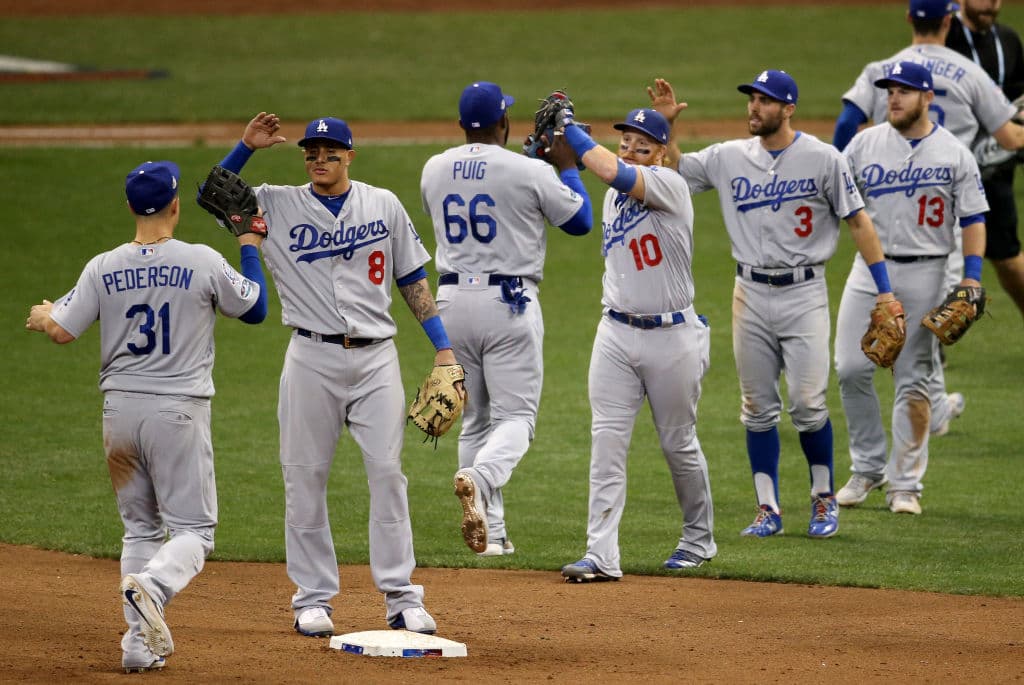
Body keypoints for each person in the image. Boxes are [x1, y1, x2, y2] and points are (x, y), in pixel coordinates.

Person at [208, 113, 460, 637]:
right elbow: (214, 194)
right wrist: (245, 148)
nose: (320, 159)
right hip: (310, 358)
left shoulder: (383, 203)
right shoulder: (273, 202)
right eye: (311, 152)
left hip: (376, 359)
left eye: (330, 151)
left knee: (388, 474)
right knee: (304, 478)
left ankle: (400, 596)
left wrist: (444, 350)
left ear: (351, 154)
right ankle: (312, 598)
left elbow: (411, 278)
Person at [25, 160, 268, 673]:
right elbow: (255, 308)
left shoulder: (104, 265)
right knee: (195, 533)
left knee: (140, 531)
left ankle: (136, 649)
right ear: (176, 206)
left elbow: (61, 329)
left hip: (119, 415)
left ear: (132, 207)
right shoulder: (200, 260)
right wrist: (248, 243)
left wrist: (46, 315)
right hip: (176, 413)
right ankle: (153, 587)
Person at [651, 72, 898, 539]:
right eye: (752, 99)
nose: (754, 108)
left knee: (808, 404)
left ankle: (823, 500)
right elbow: (677, 172)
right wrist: (668, 128)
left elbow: (860, 223)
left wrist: (884, 291)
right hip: (749, 293)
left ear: (788, 109)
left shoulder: (824, 159)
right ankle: (768, 509)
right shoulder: (728, 157)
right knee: (757, 407)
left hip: (805, 294)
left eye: (765, 101)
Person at [833, 0, 1024, 436]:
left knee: (925, 324)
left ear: (908, 19)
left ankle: (930, 410)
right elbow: (1009, 135)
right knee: (937, 317)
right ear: (947, 21)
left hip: (888, 208)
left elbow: (847, 123)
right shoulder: (968, 71)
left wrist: (841, 174)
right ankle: (930, 409)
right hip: (945, 213)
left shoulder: (881, 67)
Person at [420, 82, 592, 557]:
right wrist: (565, 166)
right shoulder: (529, 169)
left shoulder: (433, 169)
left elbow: (483, 182)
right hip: (508, 303)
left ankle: (492, 536)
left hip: (451, 301)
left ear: (461, 126)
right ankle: (480, 478)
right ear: (504, 123)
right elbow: (579, 221)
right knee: (516, 418)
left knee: (475, 418)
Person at [556, 96, 717, 583]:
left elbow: (612, 172)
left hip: (673, 338)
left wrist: (572, 133)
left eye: (641, 147)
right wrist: (563, 161)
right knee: (606, 442)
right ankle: (601, 554)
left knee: (678, 444)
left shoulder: (669, 185)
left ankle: (698, 539)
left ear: (663, 156)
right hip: (615, 334)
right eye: (624, 143)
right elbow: (585, 198)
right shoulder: (614, 186)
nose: (628, 153)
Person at [835, 62, 988, 515]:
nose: (894, 98)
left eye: (905, 91)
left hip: (927, 271)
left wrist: (972, 278)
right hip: (869, 271)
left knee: (913, 379)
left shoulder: (954, 153)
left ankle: (905, 485)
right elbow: (835, 195)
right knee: (849, 368)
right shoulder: (864, 144)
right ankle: (867, 469)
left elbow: (974, 218)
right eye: (889, 91)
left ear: (928, 98)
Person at [947, 0, 1024, 321]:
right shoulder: (946, 38)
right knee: (930, 260)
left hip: (995, 169)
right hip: (946, 171)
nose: (990, 4)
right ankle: (929, 349)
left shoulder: (1008, 40)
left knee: (1007, 259)